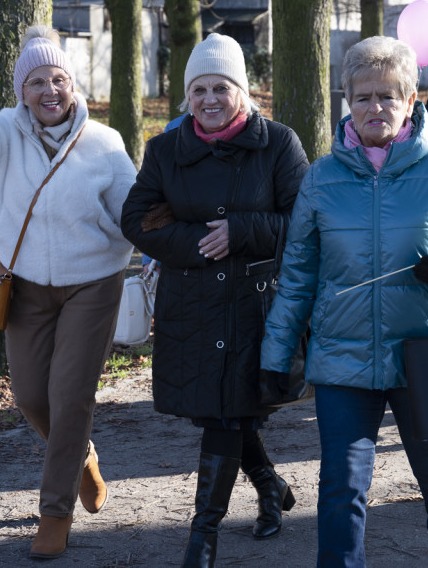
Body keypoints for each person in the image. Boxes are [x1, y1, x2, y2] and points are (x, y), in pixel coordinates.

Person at [261, 35, 428, 568]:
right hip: (342, 353)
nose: (375, 107)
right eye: (363, 97)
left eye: (388, 96)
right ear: (348, 102)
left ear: (411, 101)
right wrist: (276, 355)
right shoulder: (320, 178)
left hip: (424, 350)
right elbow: (296, 276)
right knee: (341, 480)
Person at [0, 27, 138, 559]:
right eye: (38, 82)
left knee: (71, 396)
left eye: (59, 79)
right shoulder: (1, 132)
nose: (50, 90)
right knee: (29, 395)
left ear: (73, 86)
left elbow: (132, 212)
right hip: (24, 285)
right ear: (22, 91)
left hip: (92, 283)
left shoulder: (105, 142)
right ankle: (80, 456)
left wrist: (165, 238)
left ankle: (55, 513)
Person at [120, 33, 309, 567]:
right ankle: (270, 487)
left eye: (221, 87)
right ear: (187, 97)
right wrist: (199, 243)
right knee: (224, 413)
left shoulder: (278, 143)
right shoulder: (165, 150)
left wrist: (242, 230)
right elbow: (136, 219)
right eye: (199, 89)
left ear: (242, 92)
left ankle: (203, 537)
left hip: (257, 306)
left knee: (229, 415)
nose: (209, 99)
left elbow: (304, 221)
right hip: (195, 304)